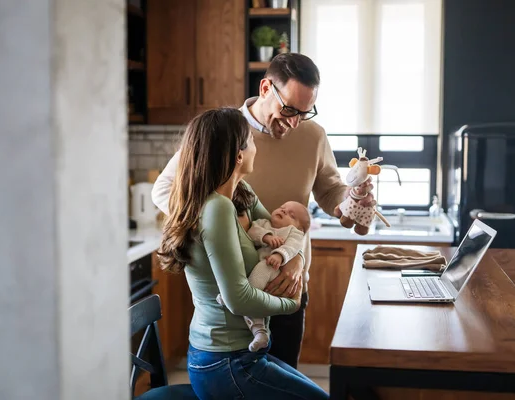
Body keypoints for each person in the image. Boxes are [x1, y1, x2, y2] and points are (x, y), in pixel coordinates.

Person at [152, 53, 375, 368]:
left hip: (289, 281)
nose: (294, 121)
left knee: (282, 378)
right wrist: (223, 222)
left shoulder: (314, 135)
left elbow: (329, 190)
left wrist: (350, 201)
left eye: (305, 112)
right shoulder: (225, 131)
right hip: (233, 293)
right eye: (289, 109)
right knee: (239, 384)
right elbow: (164, 190)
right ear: (266, 87)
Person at [157, 108, 329, 399]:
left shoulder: (239, 193)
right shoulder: (217, 208)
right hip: (224, 361)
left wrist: (296, 260)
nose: (256, 145)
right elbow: (237, 300)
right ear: (238, 156)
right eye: (250, 139)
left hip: (238, 354)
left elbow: (284, 233)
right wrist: (292, 304)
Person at [216, 201, 311, 353]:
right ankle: (260, 332)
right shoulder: (263, 223)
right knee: (259, 302)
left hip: (276, 270)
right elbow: (252, 231)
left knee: (261, 271)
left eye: (291, 215)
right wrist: (266, 237)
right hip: (261, 267)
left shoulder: (294, 233)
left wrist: (280, 255)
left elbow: (293, 246)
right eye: (282, 207)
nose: (283, 211)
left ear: (299, 227)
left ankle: (233, 298)